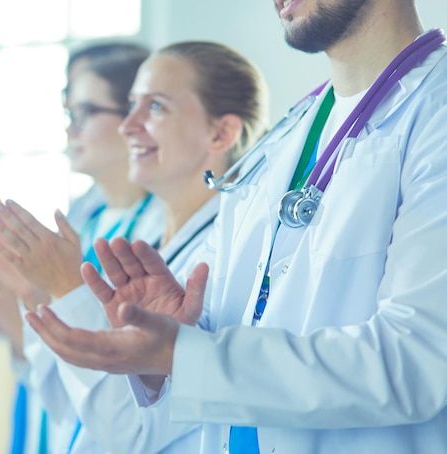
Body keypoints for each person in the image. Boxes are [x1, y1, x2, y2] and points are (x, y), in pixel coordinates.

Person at [25, 2, 447, 453]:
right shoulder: (286, 140)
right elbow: (210, 360)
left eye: (155, 107)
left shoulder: (433, 112)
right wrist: (172, 335)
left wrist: (185, 355)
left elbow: (418, 361)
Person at [0, 41, 268, 453]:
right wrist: (33, 300)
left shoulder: (230, 258)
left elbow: (133, 434)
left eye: (155, 107)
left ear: (220, 133)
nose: (128, 126)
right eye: (132, 104)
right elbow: (74, 409)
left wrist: (68, 289)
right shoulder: (151, 243)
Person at [0, 42, 161, 454]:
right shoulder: (85, 217)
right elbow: (57, 381)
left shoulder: (156, 229)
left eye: (84, 112)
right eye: (68, 113)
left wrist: (34, 300)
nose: (70, 129)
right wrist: (14, 323)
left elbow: (134, 392)